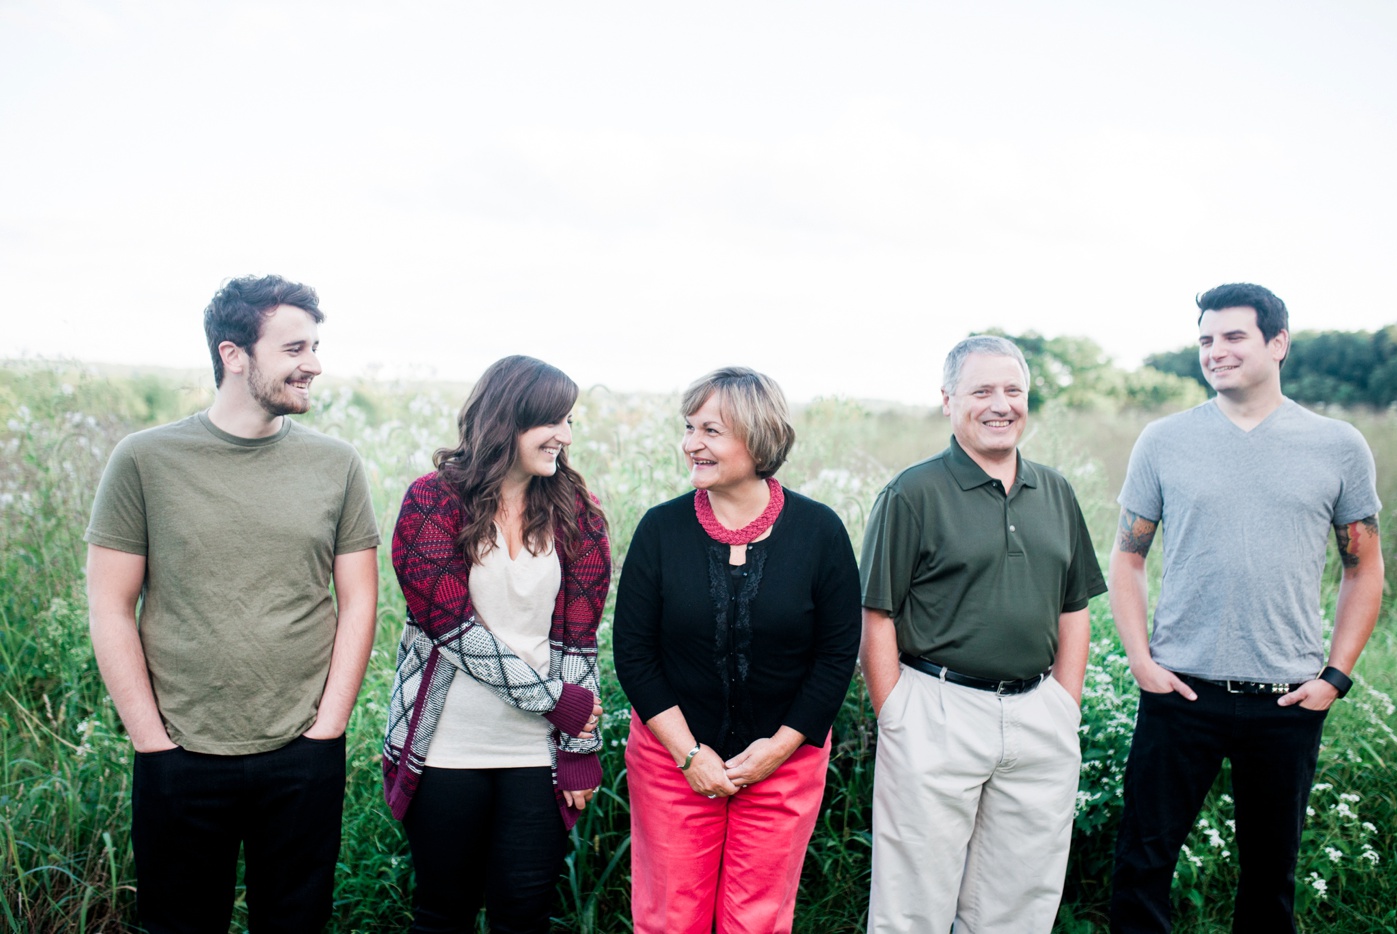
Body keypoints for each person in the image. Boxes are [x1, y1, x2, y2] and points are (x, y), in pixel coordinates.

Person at [85, 275, 381, 933]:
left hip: (303, 753)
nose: (314, 365)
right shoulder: (144, 460)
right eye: (295, 348)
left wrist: (327, 728)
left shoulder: (337, 465)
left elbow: (360, 601)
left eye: (316, 346)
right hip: (180, 755)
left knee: (296, 924)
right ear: (234, 354)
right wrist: (152, 743)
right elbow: (110, 605)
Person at [1108, 283, 1384, 932]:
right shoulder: (1163, 440)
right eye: (1206, 339)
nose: (1216, 351)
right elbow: (1128, 557)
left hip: (1287, 699)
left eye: (1233, 336)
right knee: (1143, 864)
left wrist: (1335, 677)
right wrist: (1141, 661)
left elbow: (1364, 567)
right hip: (1181, 691)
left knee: (1270, 877)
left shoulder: (1338, 445)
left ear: (1277, 343)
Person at [860, 334, 1106, 933]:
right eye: (982, 390)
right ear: (948, 400)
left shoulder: (1056, 491)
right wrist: (895, 711)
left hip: (1037, 714)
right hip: (935, 712)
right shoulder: (912, 493)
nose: (1001, 404)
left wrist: (1063, 704)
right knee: (913, 902)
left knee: (1020, 902)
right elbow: (876, 613)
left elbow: (1074, 606)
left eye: (1013, 390)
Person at [613, 366, 860, 934]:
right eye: (689, 427)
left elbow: (835, 654)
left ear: (759, 437)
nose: (691, 444)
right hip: (671, 758)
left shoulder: (821, 532)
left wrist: (779, 748)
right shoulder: (660, 529)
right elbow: (634, 652)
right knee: (670, 918)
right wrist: (688, 754)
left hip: (784, 760)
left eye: (711, 431)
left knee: (758, 921)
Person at [380, 355, 610, 933]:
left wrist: (581, 743)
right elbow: (453, 631)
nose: (565, 434)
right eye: (551, 420)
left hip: (537, 753)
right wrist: (557, 702)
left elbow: (580, 640)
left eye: (570, 420)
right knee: (443, 913)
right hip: (446, 746)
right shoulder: (431, 502)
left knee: (525, 915)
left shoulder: (575, 510)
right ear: (505, 419)